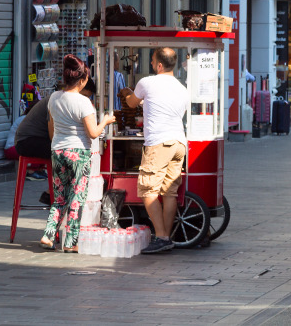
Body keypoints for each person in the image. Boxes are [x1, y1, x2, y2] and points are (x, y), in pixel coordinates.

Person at [42, 56, 114, 251]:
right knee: (77, 197)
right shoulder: (84, 103)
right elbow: (93, 133)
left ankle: (49, 235)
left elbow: (51, 129)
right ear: (82, 80)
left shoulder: (53, 98)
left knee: (59, 197)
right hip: (79, 153)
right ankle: (70, 243)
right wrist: (106, 121)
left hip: (57, 150)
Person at [126, 47, 189, 254]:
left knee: (148, 190)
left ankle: (161, 236)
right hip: (179, 142)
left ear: (160, 65)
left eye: (152, 62)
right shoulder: (182, 88)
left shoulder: (147, 82)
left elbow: (131, 103)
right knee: (169, 192)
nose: (151, 65)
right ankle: (166, 237)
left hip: (159, 142)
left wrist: (128, 94)